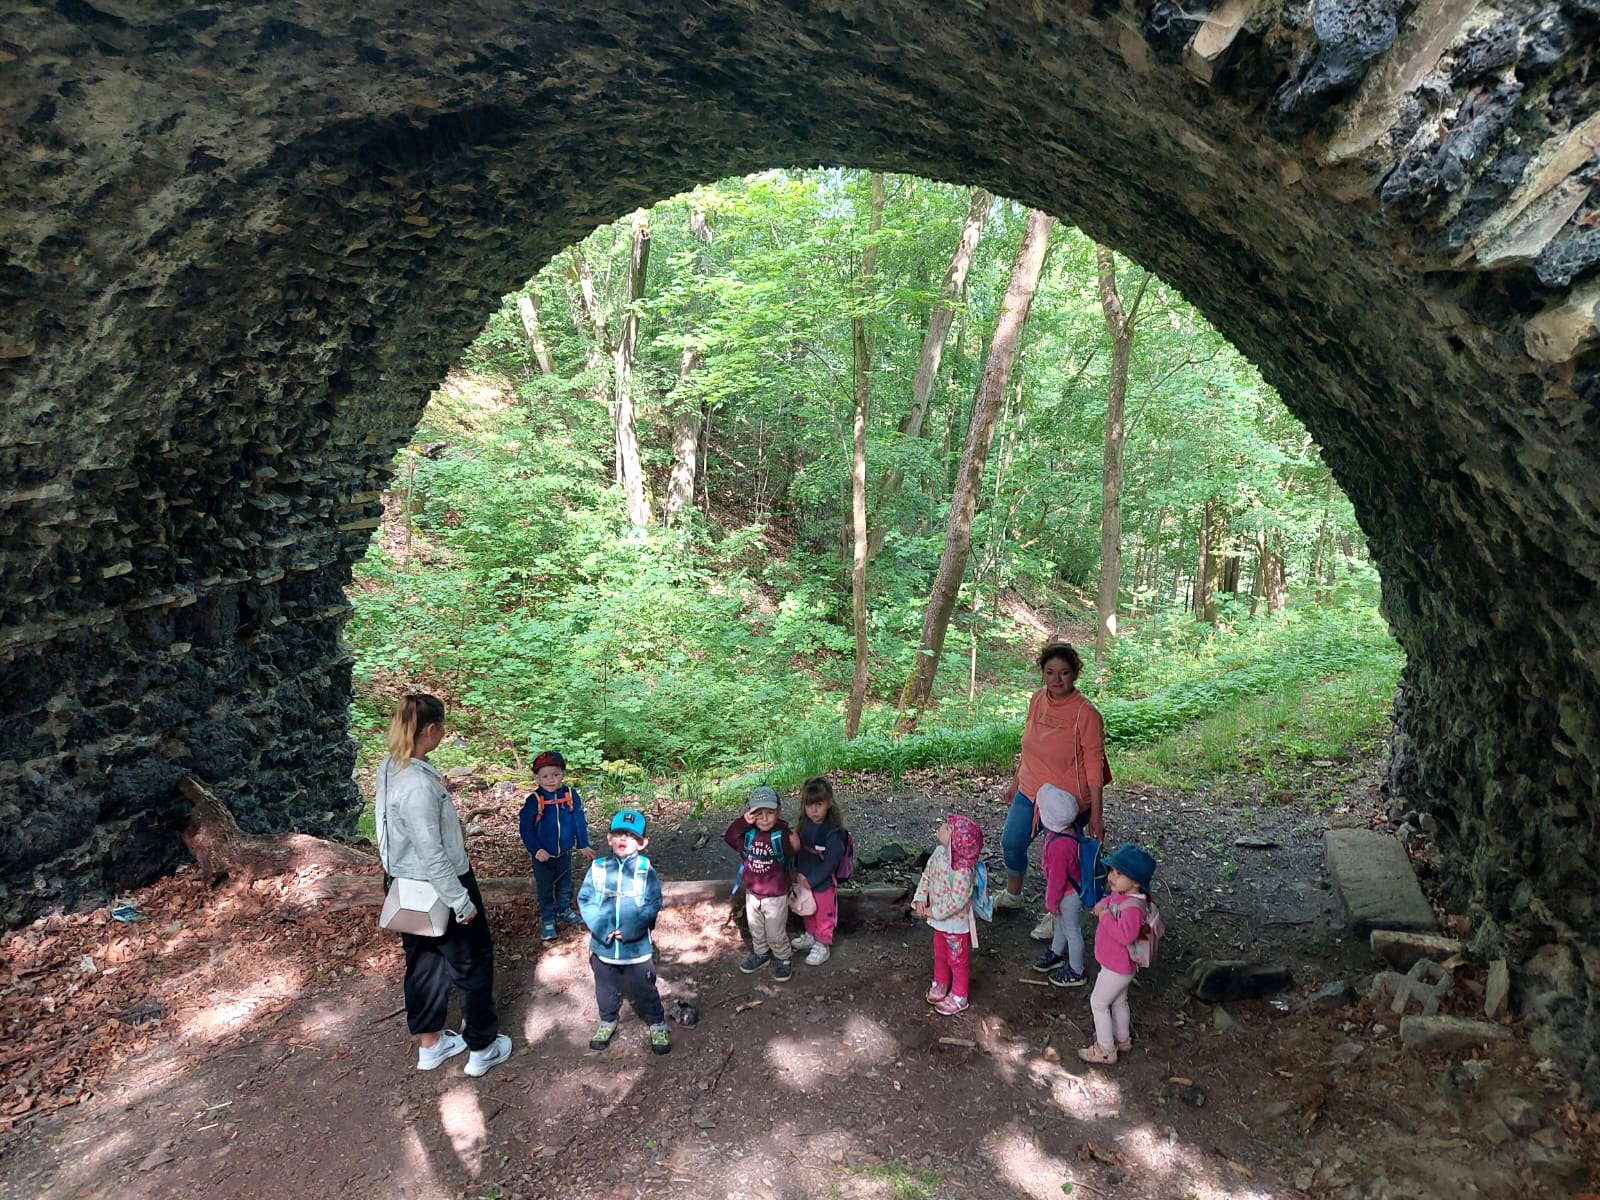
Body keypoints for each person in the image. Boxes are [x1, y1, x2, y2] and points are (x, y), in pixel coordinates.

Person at [375, 693, 512, 1077]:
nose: (444, 734)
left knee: (424, 961)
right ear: (431, 729)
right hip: (439, 883)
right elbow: (431, 851)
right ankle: (482, 1047)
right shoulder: (417, 785)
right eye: (442, 728)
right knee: (472, 961)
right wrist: (460, 901)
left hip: (403, 881)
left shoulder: (392, 765)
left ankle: (431, 1045)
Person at [996, 642, 1109, 943]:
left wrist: (1096, 815)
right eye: (1050, 672)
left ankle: (1058, 913)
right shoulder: (1037, 699)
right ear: (1042, 673)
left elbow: (1095, 767)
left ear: (1075, 674)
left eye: (1064, 673)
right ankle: (1013, 895)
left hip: (1066, 801)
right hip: (1031, 789)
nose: (1056, 679)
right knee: (1011, 843)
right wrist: (1016, 782)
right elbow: (1028, 746)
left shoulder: (1086, 713)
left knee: (1058, 859)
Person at [576, 809, 671, 1055]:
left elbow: (653, 903)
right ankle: (607, 1019)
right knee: (605, 988)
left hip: (636, 947)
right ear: (609, 838)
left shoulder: (644, 869)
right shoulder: (598, 868)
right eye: (618, 833)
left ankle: (657, 1023)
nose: (623, 839)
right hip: (604, 945)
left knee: (644, 987)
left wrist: (631, 928)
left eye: (631, 836)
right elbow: (585, 899)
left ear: (642, 843)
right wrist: (602, 927)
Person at [1078, 843, 1158, 1065]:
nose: (1111, 876)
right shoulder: (1124, 895)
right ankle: (1123, 1039)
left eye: (1119, 873)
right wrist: (1103, 905)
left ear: (1136, 882)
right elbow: (1111, 900)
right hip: (1118, 964)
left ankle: (1105, 1049)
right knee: (1119, 1001)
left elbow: (1125, 935)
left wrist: (1104, 916)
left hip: (1117, 967)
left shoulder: (1132, 908)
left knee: (1098, 1003)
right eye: (1112, 870)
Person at [517, 750, 595, 940]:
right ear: (538, 778)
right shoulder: (534, 800)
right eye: (545, 776)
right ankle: (547, 918)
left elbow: (578, 820)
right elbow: (525, 829)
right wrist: (536, 850)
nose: (550, 780)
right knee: (545, 887)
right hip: (543, 855)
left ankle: (564, 908)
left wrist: (582, 844)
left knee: (564, 883)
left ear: (563, 774)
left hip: (564, 852)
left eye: (555, 774)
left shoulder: (570, 795)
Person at [913, 813, 985, 1016]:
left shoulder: (963, 871)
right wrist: (920, 897)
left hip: (955, 924)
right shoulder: (938, 853)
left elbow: (957, 901)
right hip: (939, 922)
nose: (942, 826)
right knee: (940, 953)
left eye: (947, 827)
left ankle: (960, 994)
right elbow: (926, 876)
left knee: (957, 958)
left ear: (956, 841)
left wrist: (933, 911)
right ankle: (941, 982)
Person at [725, 786, 794, 981]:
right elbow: (730, 837)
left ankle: (783, 957)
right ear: (751, 814)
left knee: (775, 931)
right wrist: (743, 822)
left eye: (770, 813)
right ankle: (761, 953)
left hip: (775, 895)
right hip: (753, 892)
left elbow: (794, 849)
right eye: (758, 813)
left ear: (778, 812)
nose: (764, 818)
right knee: (755, 927)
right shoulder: (748, 834)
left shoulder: (780, 834)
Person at [788, 776, 849, 966]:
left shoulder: (833, 832)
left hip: (822, 880)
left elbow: (831, 862)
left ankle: (823, 943)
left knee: (824, 911)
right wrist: (794, 869)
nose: (814, 810)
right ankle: (811, 934)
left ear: (829, 803)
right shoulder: (804, 823)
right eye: (809, 805)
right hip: (804, 875)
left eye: (819, 804)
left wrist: (813, 880)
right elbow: (797, 849)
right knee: (808, 908)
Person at [1032, 783, 1088, 987]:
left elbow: (1057, 879)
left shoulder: (1060, 846)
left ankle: (1077, 970)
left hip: (1068, 894)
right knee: (1062, 926)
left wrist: (1051, 902)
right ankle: (1056, 953)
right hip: (1070, 890)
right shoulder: (1070, 831)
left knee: (1072, 930)